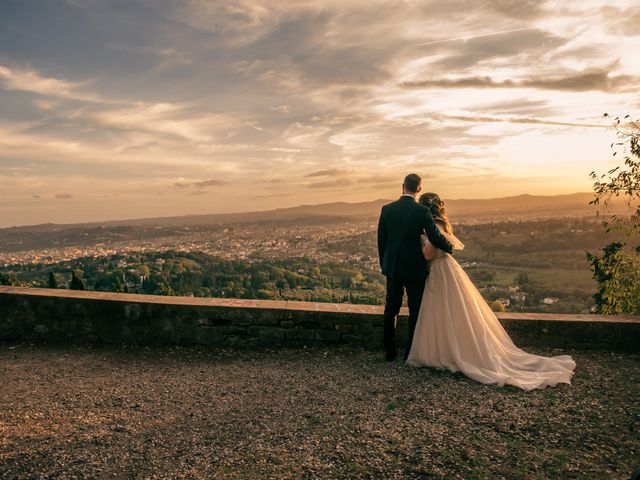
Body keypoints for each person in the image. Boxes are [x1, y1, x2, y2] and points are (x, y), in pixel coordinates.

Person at [406, 192, 576, 390]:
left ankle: (445, 352)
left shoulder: (433, 227)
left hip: (439, 272)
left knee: (444, 311)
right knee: (454, 313)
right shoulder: (443, 224)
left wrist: (421, 240)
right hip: (446, 270)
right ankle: (450, 350)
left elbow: (428, 254)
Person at [377, 174, 453, 361]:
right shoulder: (422, 211)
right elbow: (435, 237)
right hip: (414, 268)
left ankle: (389, 351)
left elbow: (382, 241)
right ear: (419, 189)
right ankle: (411, 351)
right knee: (415, 310)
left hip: (393, 267)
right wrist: (450, 247)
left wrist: (384, 264)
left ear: (402, 186)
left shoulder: (387, 209)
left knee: (391, 308)